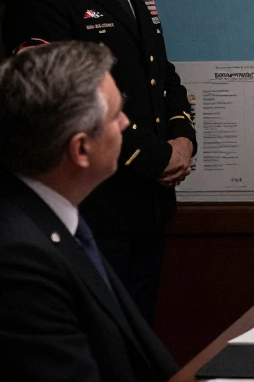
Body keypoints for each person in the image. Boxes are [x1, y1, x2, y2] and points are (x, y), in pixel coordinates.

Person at [1, 0, 196, 322]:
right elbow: (63, 101)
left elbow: (160, 74)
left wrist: (184, 140)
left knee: (137, 335)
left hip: (149, 207)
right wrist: (153, 158)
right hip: (96, 207)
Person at [0, 41, 179, 382]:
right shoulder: (18, 260)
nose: (126, 123)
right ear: (81, 149)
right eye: (115, 115)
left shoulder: (54, 215)